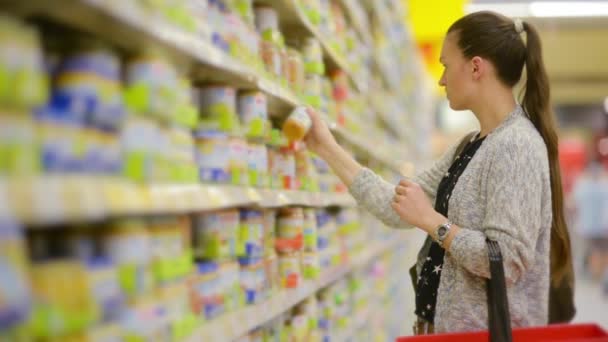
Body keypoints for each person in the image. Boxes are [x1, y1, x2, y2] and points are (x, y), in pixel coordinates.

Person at [304, 11, 574, 334]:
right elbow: (396, 206)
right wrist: (326, 147)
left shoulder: (517, 146)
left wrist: (432, 222)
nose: (441, 79)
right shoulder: (467, 147)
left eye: (446, 65)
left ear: (476, 67)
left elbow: (507, 260)